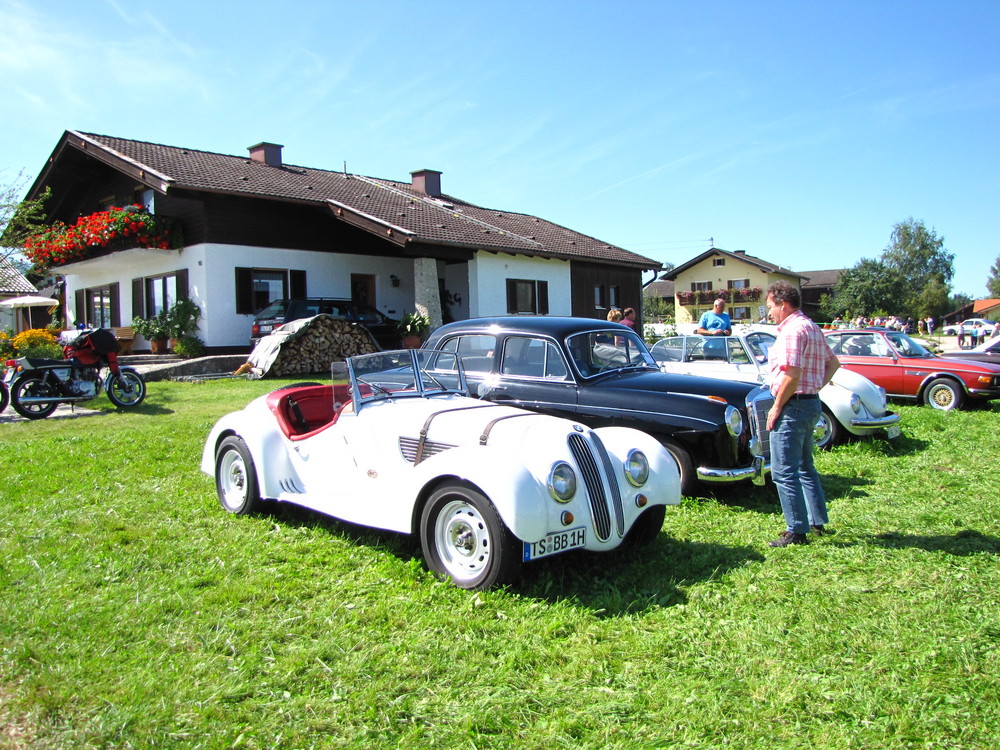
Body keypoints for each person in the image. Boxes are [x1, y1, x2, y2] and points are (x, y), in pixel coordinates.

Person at [764, 281, 840, 547]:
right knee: (806, 466)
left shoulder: (792, 331)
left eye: (770, 306)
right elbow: (833, 363)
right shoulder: (811, 326)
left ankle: (796, 530)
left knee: (784, 471)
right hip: (810, 404)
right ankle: (817, 520)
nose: (769, 312)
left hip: (794, 406)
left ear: (783, 304)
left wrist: (776, 407)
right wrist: (814, 387)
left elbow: (792, 375)